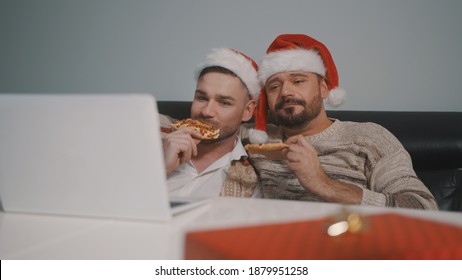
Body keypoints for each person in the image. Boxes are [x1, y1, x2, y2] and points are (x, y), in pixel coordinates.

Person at [241, 34, 438, 210]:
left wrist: (322, 183)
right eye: (274, 86)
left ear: (324, 89)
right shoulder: (256, 142)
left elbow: (423, 210)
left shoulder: (369, 137)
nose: (285, 92)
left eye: (299, 81)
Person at [161, 48, 261, 199]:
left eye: (224, 103)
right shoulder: (151, 143)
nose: (207, 111)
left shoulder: (251, 181)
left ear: (247, 111)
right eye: (202, 98)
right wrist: (163, 168)